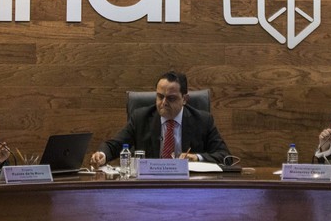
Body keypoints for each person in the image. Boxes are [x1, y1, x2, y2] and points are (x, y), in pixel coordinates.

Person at [89, 70, 230, 166]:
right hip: (150, 186)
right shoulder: (141, 118)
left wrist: (197, 158)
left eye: (171, 98)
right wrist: (102, 155)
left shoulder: (203, 121)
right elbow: (114, 145)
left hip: (188, 188)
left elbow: (225, 156)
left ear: (185, 99)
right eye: (160, 96)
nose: (164, 103)